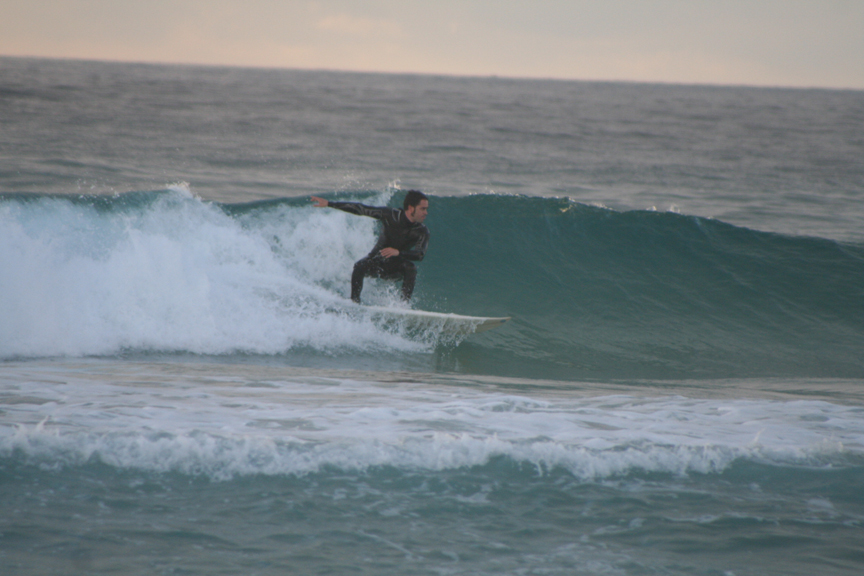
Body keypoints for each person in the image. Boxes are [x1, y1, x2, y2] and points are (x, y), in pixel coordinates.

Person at [311, 191, 430, 304]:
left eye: (426, 209)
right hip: (377, 260)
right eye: (422, 209)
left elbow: (420, 254)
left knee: (411, 268)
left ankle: (403, 306)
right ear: (411, 208)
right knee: (359, 266)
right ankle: (354, 302)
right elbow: (361, 209)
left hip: (395, 267)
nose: (426, 212)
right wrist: (329, 204)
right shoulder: (390, 215)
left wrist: (398, 252)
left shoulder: (422, 231)